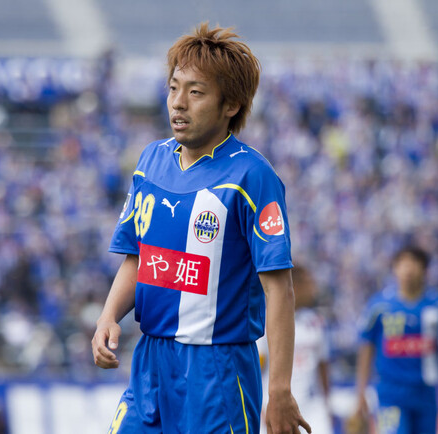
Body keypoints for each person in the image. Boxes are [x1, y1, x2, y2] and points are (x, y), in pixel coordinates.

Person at [91, 23, 310, 434]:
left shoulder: (252, 176)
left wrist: (280, 389)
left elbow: (279, 289)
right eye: (174, 88)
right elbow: (138, 257)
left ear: (231, 105)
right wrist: (108, 317)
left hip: (217, 372)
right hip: (151, 363)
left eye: (195, 92)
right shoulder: (151, 161)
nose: (178, 103)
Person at [352, 245, 438, 434]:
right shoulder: (379, 306)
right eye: (402, 264)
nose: (408, 269)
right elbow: (366, 348)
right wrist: (360, 391)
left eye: (413, 263)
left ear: (425, 270)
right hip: (390, 394)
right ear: (395, 269)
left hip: (425, 394)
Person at [259, 265, 333, 434]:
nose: (313, 289)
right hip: (274, 405)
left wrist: (327, 403)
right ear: (295, 285)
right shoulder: (266, 321)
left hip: (312, 407)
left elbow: (323, 366)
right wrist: (260, 407)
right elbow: (257, 368)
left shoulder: (316, 322)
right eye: (309, 283)